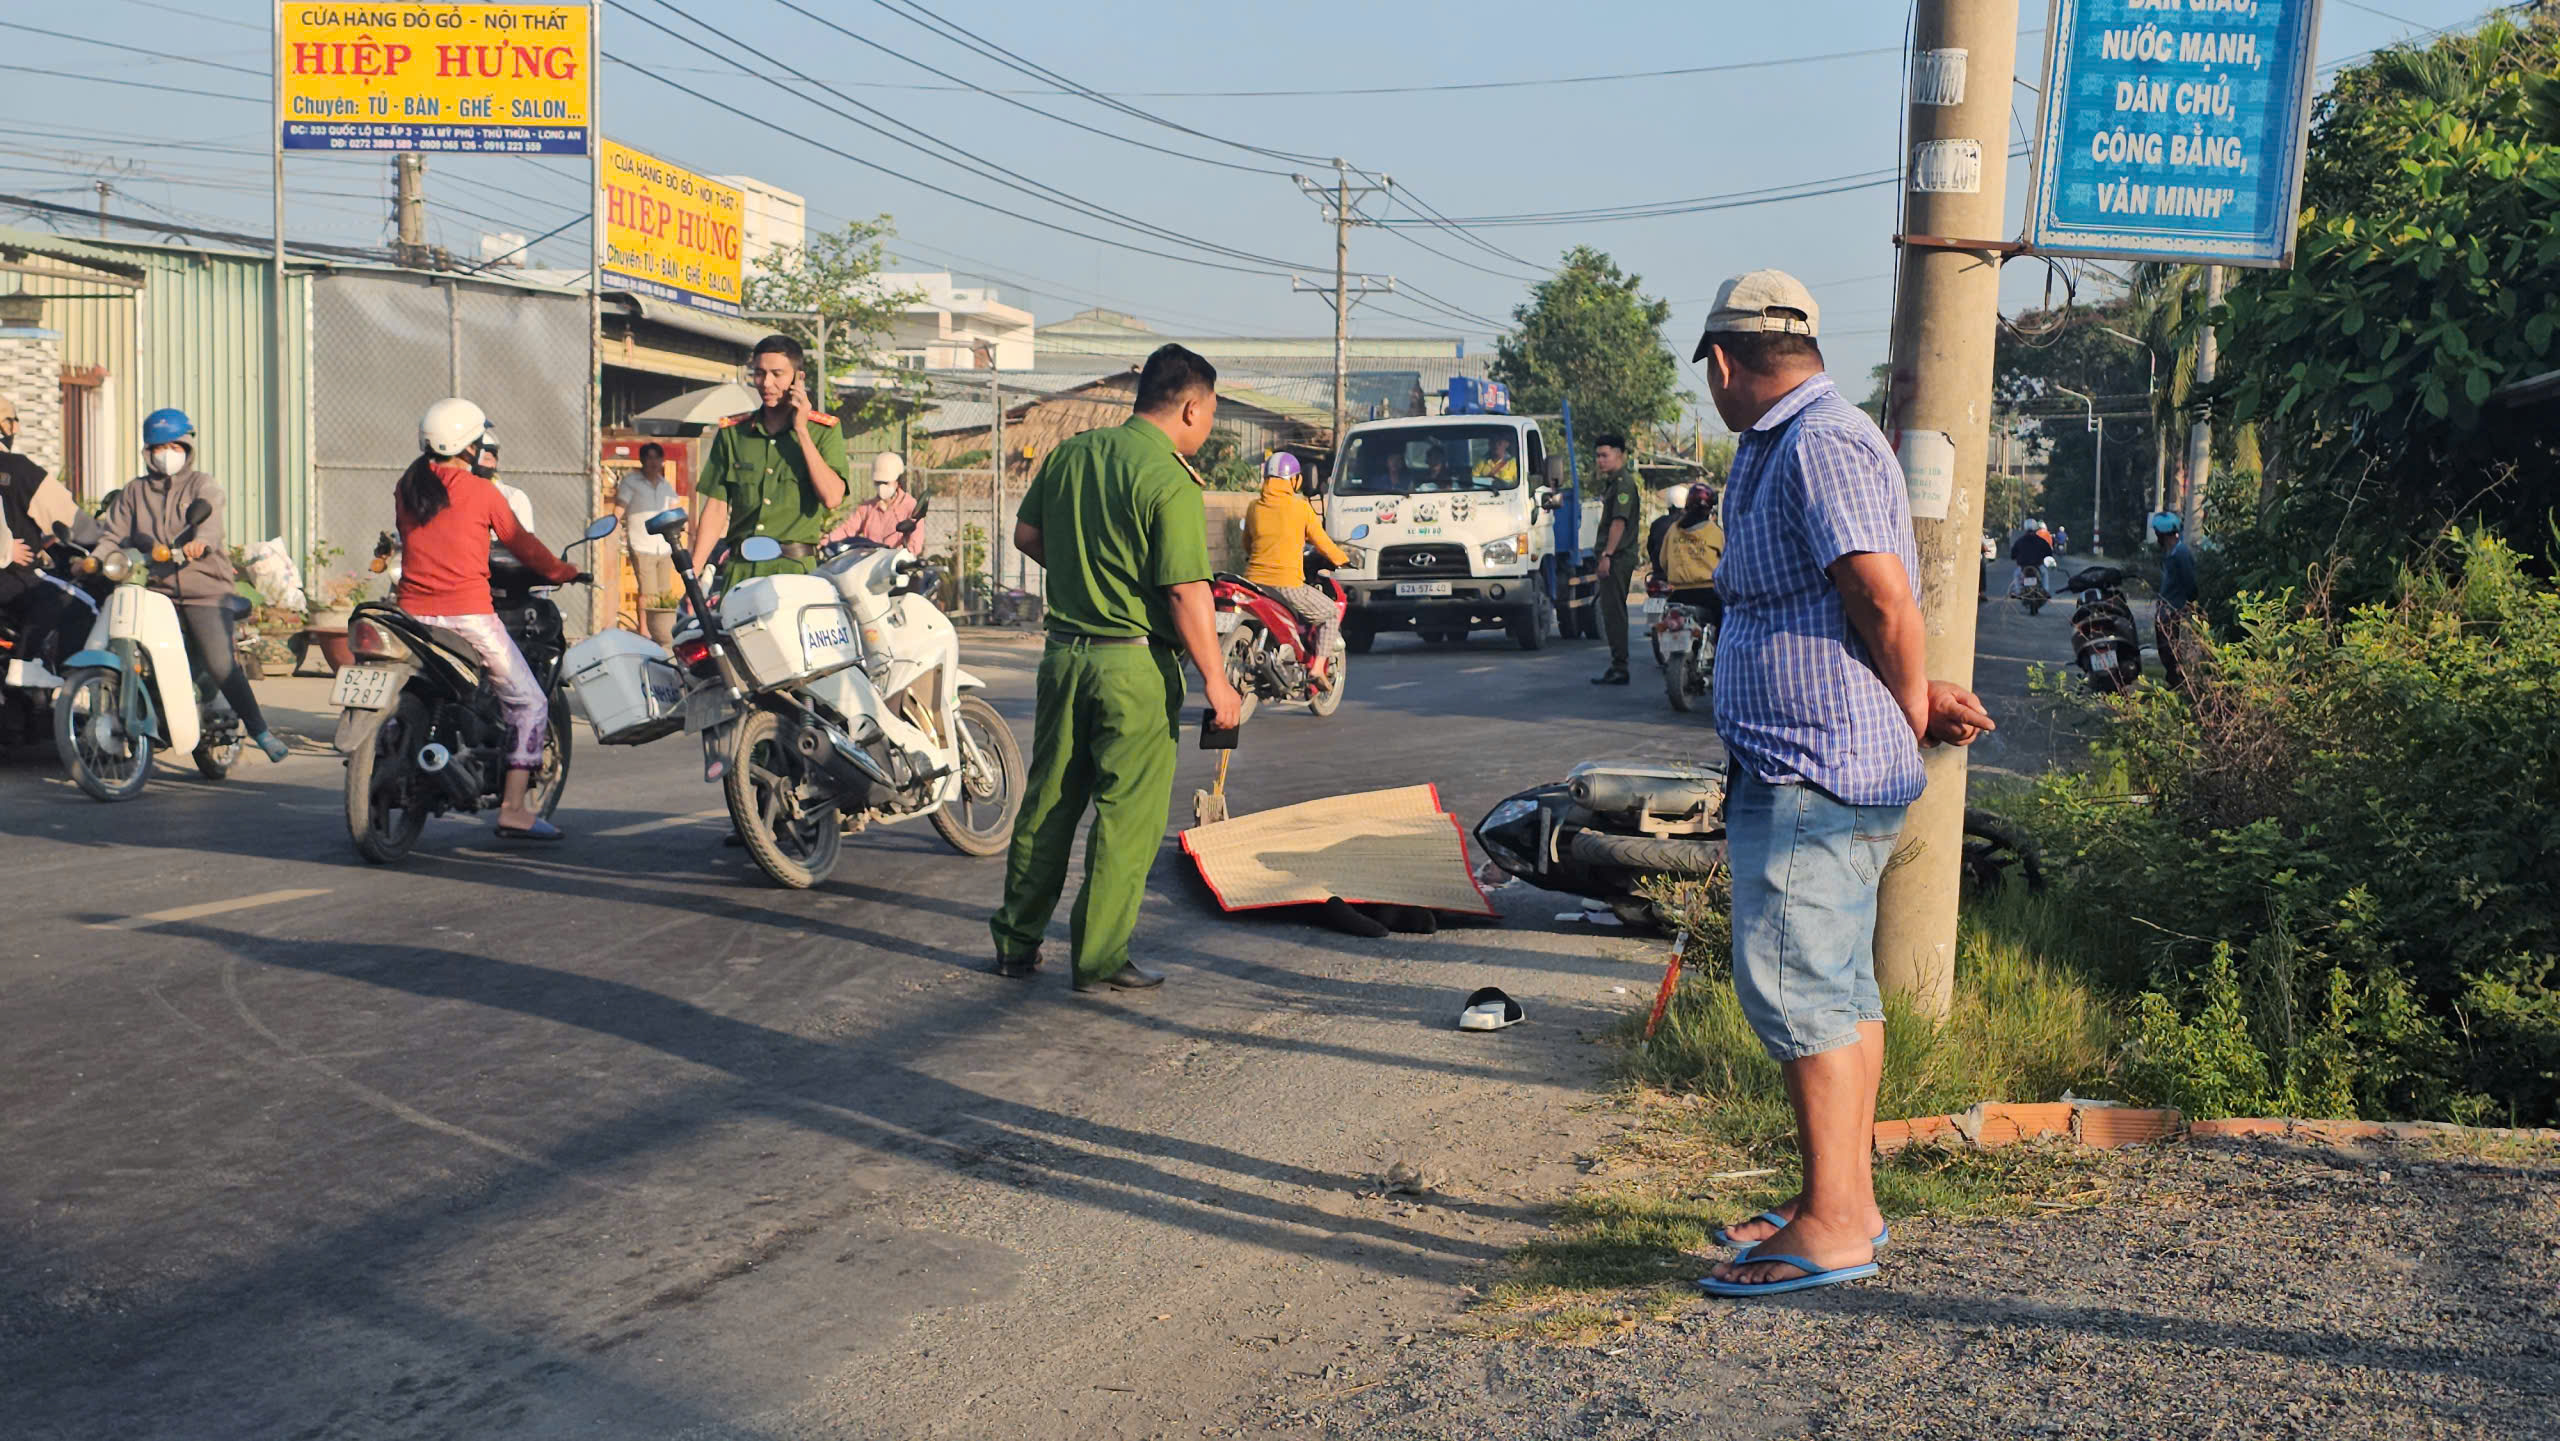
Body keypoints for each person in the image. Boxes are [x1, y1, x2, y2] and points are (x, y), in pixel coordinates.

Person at [1686, 270, 1992, 1299]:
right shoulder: (1788, 441)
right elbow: (1848, 609)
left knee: (1798, 985)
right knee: (1838, 988)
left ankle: (1832, 1222)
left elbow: (1882, 596)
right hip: (1811, 757)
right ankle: (1844, 1199)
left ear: (1722, 362)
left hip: (1813, 766)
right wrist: (1915, 693)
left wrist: (1906, 705)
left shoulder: (1817, 440)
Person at [990, 344, 1245, 994]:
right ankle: (1099, 957)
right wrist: (1217, 682)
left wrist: (1086, 575)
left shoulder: (1071, 454)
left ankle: (1016, 941)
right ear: (1191, 408)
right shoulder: (1169, 478)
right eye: (1211, 412)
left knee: (1049, 803)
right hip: (1132, 665)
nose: (1208, 425)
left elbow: (1026, 536)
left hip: (1064, 656)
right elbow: (1185, 591)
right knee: (1125, 815)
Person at [394, 398, 582, 840]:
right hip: (467, 616)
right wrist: (562, 571)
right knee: (529, 702)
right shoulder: (481, 491)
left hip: (410, 615)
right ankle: (514, 809)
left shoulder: (408, 486)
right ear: (469, 446)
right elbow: (523, 545)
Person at [92, 409, 291, 764]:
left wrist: (201, 542)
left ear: (187, 447)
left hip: (206, 590)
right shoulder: (134, 491)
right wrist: (95, 558)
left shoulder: (202, 485)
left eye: (174, 446)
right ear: (147, 451)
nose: (166, 453)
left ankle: (260, 730)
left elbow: (210, 523)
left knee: (219, 662)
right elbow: (113, 535)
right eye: (158, 447)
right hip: (154, 589)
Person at [690, 334, 850, 582]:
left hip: (795, 574)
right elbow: (716, 507)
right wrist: (693, 572)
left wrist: (801, 430)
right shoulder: (734, 433)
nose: (766, 383)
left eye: (777, 374)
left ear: (798, 378)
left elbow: (832, 498)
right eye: (759, 373)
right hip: (741, 572)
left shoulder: (823, 431)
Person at [1242, 452, 1348, 688]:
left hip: (1253, 583)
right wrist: (1342, 559)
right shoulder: (1300, 508)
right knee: (1330, 613)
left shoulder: (1254, 507)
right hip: (1286, 585)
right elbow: (1323, 544)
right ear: (1294, 480)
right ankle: (1318, 668)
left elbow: (1247, 544)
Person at [1589, 432, 1643, 684]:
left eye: (1604, 455)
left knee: (1614, 612)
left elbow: (1618, 523)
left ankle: (1620, 666)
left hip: (1618, 557)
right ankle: (1617, 664)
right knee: (1611, 611)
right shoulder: (1614, 483)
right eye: (1598, 456)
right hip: (1616, 556)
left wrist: (1607, 555)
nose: (1600, 461)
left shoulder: (1623, 484)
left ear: (1619, 455)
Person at [614, 442, 681, 607]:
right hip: (642, 545)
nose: (653, 462)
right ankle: (644, 625)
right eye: (649, 458)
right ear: (642, 460)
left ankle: (661, 625)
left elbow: (675, 510)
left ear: (662, 461)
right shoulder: (631, 482)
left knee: (665, 595)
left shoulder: (665, 485)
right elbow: (619, 508)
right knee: (648, 595)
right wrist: (610, 529)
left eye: (657, 458)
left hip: (664, 546)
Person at [1652, 481, 1725, 632]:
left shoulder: (1673, 530)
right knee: (1723, 627)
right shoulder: (1715, 532)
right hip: (1708, 594)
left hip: (1678, 594)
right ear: (1709, 509)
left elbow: (1663, 561)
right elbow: (1727, 562)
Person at [826, 451, 926, 556]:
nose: (881, 487)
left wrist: (902, 554)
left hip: (896, 562)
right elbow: (848, 529)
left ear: (898, 480)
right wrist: (827, 540)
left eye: (886, 483)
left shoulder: (910, 506)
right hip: (871, 562)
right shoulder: (867, 507)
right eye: (878, 482)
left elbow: (915, 544)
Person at [2150, 510, 2195, 689]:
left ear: (2163, 535)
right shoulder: (2171, 553)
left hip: (2173, 611)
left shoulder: (2180, 554)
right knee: (2165, 650)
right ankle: (2174, 683)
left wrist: (2190, 604)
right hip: (2166, 609)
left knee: (2171, 651)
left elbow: (2190, 583)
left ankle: (2178, 684)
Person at [2009, 518, 2054, 596]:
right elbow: (2049, 552)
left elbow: (2013, 555)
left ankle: (2018, 591)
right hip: (2038, 566)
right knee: (2045, 573)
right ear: (2035, 528)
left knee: (2016, 574)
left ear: (2025, 528)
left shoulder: (2019, 541)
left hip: (2023, 567)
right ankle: (2045, 591)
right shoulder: (2041, 541)